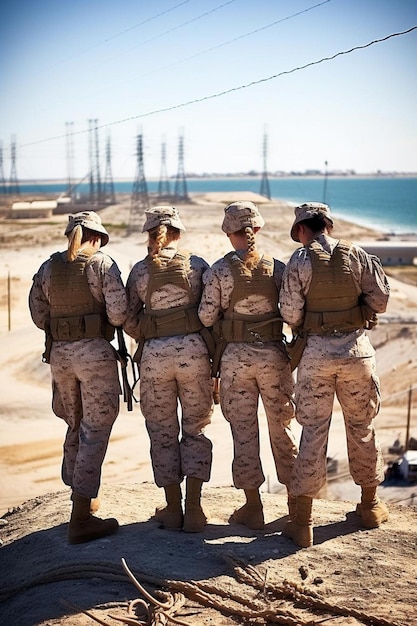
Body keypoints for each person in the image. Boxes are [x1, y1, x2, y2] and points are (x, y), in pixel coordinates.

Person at [279, 202, 390, 548]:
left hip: (316, 357)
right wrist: (356, 310)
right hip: (357, 353)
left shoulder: (299, 260)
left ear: (302, 230)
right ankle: (370, 505)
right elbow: (381, 299)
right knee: (362, 426)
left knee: (313, 433)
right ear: (327, 225)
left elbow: (290, 313)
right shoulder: (356, 253)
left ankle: (303, 523)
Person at [29, 211, 128, 544]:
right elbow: (118, 313)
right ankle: (81, 517)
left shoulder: (48, 267)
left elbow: (38, 313)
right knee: (95, 429)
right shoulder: (101, 265)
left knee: (75, 422)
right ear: (97, 238)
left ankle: (80, 495)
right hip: (94, 355)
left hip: (60, 356)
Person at [198, 201, 298, 530]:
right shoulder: (279, 268)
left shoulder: (219, 271)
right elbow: (293, 313)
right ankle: (297, 508)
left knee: (243, 431)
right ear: (258, 229)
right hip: (273, 357)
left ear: (229, 233)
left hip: (236, 361)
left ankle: (253, 507)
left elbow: (206, 317)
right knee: (281, 428)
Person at [123, 206, 213, 533]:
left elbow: (127, 317)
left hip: (154, 358)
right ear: (178, 231)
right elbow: (210, 312)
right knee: (196, 428)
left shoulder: (140, 272)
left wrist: (152, 332)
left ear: (150, 235)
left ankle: (173, 509)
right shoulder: (197, 265)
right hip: (194, 354)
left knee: (162, 432)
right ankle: (195, 510)